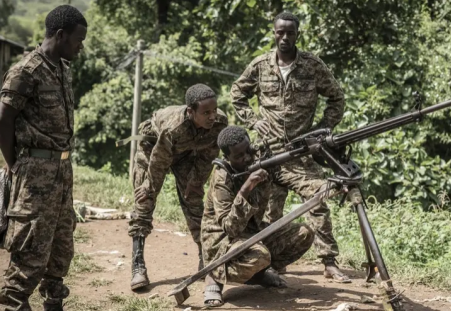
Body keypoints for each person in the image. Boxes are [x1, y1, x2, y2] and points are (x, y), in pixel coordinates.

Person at [230, 12, 350, 283]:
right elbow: (237, 93)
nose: (284, 37)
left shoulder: (311, 65)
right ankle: (273, 264)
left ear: (298, 34)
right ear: (274, 33)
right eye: (279, 32)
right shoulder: (260, 65)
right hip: (268, 154)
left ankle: (329, 262)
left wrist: (321, 131)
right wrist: (253, 120)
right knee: (269, 215)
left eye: (290, 33)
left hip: (300, 154)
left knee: (318, 198)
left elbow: (337, 98)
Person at [0, 5, 87, 310]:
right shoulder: (26, 71)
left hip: (62, 172)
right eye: (77, 39)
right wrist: (14, 164)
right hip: (34, 175)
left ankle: (54, 302)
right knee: (30, 250)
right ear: (60, 35)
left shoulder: (61, 68)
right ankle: (14, 302)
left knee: (61, 248)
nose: (80, 46)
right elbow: (2, 121)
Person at [200, 125, 315, 307]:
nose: (246, 158)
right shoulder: (222, 178)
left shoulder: (258, 162)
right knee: (260, 256)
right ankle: (215, 275)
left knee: (304, 233)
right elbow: (231, 228)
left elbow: (288, 178)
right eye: (239, 156)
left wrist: (318, 187)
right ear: (227, 158)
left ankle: (258, 275)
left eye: (249, 151)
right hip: (222, 241)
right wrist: (246, 188)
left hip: (253, 232)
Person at [128, 83, 228, 290]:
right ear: (191, 112)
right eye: (206, 112)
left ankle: (205, 257)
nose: (212, 116)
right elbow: (159, 160)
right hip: (153, 149)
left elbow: (209, 153)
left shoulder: (219, 123)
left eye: (214, 110)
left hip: (185, 153)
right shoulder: (173, 127)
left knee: (193, 199)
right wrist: (149, 186)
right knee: (144, 200)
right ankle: (138, 266)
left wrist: (196, 181)